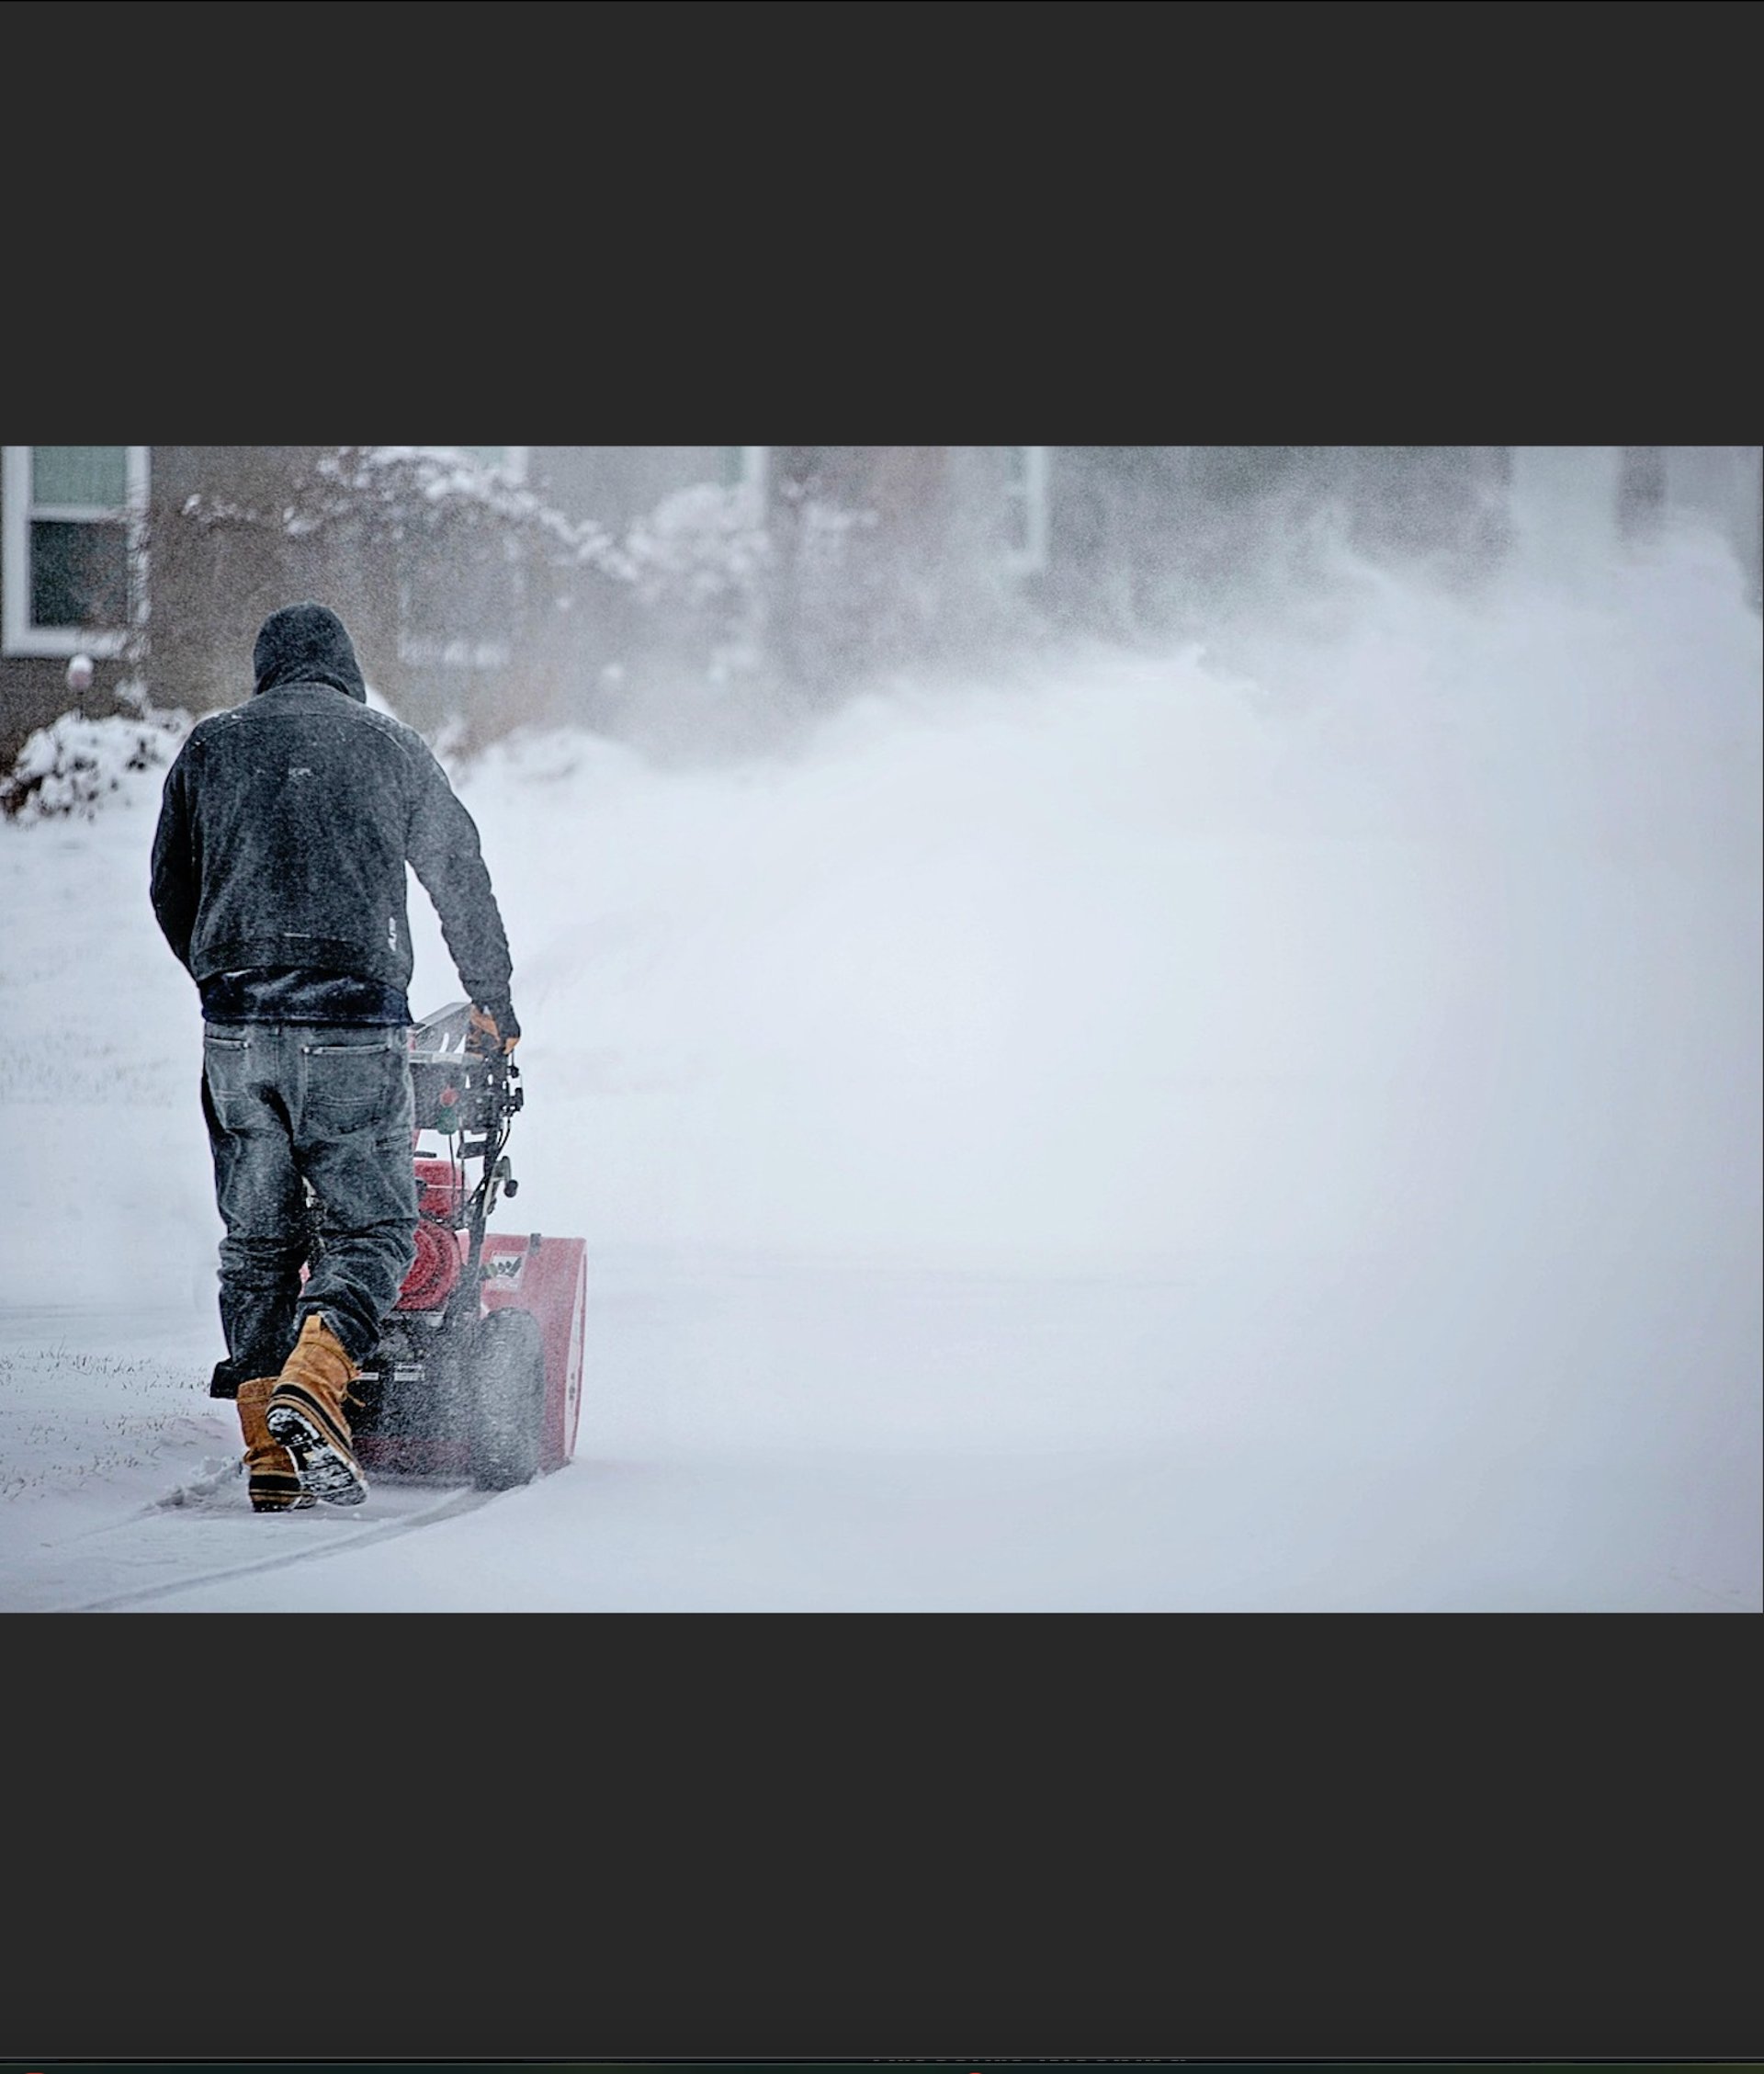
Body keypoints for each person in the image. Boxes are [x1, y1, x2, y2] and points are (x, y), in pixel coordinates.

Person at [150, 601, 520, 1513]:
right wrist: (493, 1001)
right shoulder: (388, 747)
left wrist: (220, 972)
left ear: (265, 670)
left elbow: (168, 885)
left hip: (236, 1030)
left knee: (259, 1241)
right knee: (373, 1232)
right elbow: (457, 871)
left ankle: (267, 1453)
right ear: (345, 672)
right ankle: (314, 1384)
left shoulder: (209, 746)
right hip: (353, 1026)